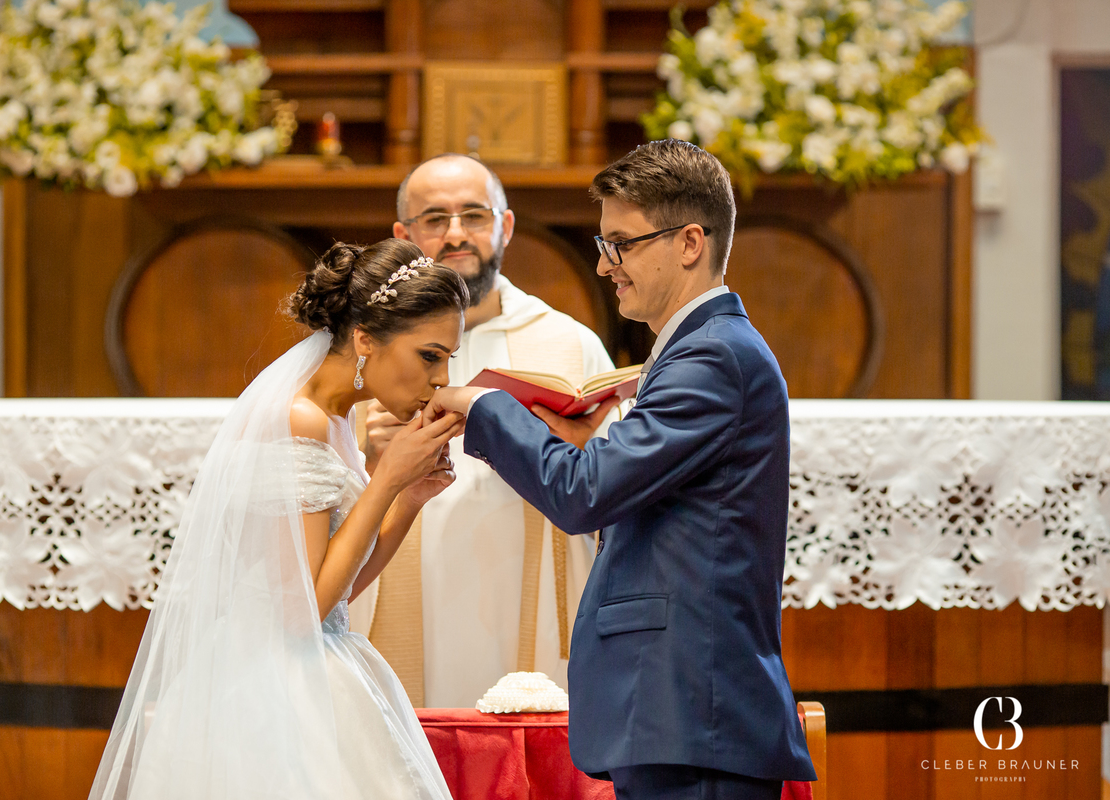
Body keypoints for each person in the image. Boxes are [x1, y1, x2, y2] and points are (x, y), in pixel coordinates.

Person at [427, 141, 817, 800]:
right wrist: (586, 435)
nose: (607, 267)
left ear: (691, 241)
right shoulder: (700, 351)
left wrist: (487, 407)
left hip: (694, 713)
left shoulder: (711, 358)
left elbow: (584, 495)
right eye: (604, 245)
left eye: (622, 245)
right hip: (679, 715)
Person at [89, 239, 468, 800]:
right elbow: (302, 612)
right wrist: (386, 479)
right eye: (429, 356)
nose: (441, 381)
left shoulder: (340, 418)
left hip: (320, 654)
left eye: (446, 362)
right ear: (365, 338)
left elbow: (338, 592)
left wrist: (409, 497)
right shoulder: (301, 419)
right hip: (269, 684)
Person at [352, 154, 619, 708]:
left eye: (474, 215)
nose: (456, 234)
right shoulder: (366, 345)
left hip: (527, 590)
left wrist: (581, 447)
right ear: (403, 235)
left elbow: (613, 481)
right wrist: (362, 446)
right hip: (407, 579)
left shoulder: (569, 344)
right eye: (434, 219)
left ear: (506, 225)